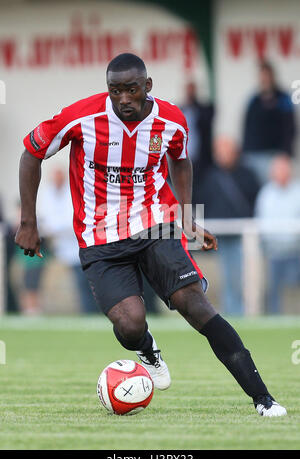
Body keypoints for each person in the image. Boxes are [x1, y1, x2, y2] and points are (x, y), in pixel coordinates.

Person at [15, 53, 286, 417]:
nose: (123, 98)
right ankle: (145, 348)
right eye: (115, 91)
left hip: (155, 223)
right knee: (130, 324)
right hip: (100, 236)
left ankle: (264, 399)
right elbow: (31, 153)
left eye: (131, 89)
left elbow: (180, 159)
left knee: (197, 306)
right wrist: (28, 223)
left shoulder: (171, 120)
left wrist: (187, 217)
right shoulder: (82, 117)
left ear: (147, 86)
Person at [200, 136, 260, 315]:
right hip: (218, 235)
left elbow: (253, 200)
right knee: (224, 277)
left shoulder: (247, 174)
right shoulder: (211, 176)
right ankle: (228, 312)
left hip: (242, 234)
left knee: (239, 276)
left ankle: (241, 312)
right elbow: (203, 201)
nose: (222, 155)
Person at [38, 168, 98, 314]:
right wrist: (53, 227)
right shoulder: (47, 193)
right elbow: (45, 220)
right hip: (57, 247)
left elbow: (70, 220)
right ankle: (86, 312)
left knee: (85, 282)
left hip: (77, 245)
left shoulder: (71, 191)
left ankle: (91, 312)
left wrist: (53, 227)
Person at [255, 155, 300, 314]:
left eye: (283, 169)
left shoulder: (297, 192)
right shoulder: (266, 193)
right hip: (272, 253)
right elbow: (260, 218)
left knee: (294, 292)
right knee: (273, 291)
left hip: (296, 252)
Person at [242, 60, 296, 186]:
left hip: (276, 154)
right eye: (262, 75)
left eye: (267, 75)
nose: (264, 79)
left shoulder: (283, 98)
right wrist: (245, 152)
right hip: (255, 154)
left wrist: (286, 153)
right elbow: (247, 127)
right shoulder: (253, 100)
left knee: (276, 189)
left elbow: (290, 127)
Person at [181, 82, 214, 205]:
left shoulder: (203, 110)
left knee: (200, 193)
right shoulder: (180, 110)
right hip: (182, 160)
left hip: (200, 161)